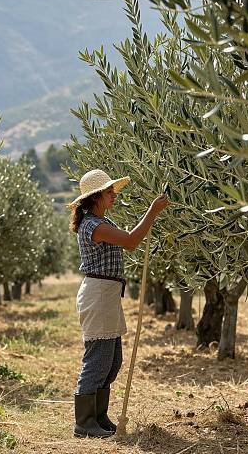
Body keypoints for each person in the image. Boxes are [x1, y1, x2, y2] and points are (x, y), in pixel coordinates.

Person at [67, 169, 168, 438]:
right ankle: (84, 423)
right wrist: (152, 212)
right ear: (95, 197)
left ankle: (98, 417)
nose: (113, 194)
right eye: (109, 191)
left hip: (107, 294)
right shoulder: (94, 226)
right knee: (98, 360)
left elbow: (129, 239)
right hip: (99, 294)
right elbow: (132, 241)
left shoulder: (102, 221)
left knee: (112, 361)